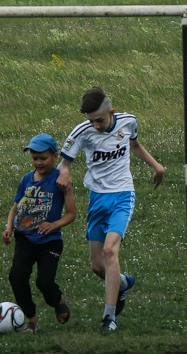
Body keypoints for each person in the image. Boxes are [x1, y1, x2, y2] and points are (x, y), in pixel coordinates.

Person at [63, 87, 165, 332]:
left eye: (100, 119)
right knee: (98, 266)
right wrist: (64, 173)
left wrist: (157, 166)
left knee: (110, 252)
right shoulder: (82, 132)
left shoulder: (128, 122)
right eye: (91, 120)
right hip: (97, 199)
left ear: (112, 112)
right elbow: (64, 163)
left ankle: (109, 318)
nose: (96, 125)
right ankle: (122, 284)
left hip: (122, 195)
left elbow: (135, 145)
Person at [3, 134, 76, 331]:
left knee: (44, 281)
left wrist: (54, 225)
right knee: (17, 276)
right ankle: (32, 320)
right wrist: (9, 228)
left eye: (43, 158)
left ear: (54, 156)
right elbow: (16, 207)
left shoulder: (61, 181)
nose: (38, 162)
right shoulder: (26, 179)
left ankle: (58, 299)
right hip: (25, 238)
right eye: (34, 158)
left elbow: (71, 214)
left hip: (49, 241)